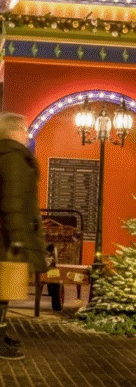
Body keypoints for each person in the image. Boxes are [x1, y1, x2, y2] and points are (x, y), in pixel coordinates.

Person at [0, 113, 46, 360]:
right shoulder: (13, 158)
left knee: (5, 289)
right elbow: (12, 201)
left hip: (7, 235)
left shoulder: (10, 156)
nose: (27, 133)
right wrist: (17, 237)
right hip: (7, 238)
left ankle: (2, 333)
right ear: (12, 131)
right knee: (3, 289)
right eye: (24, 128)